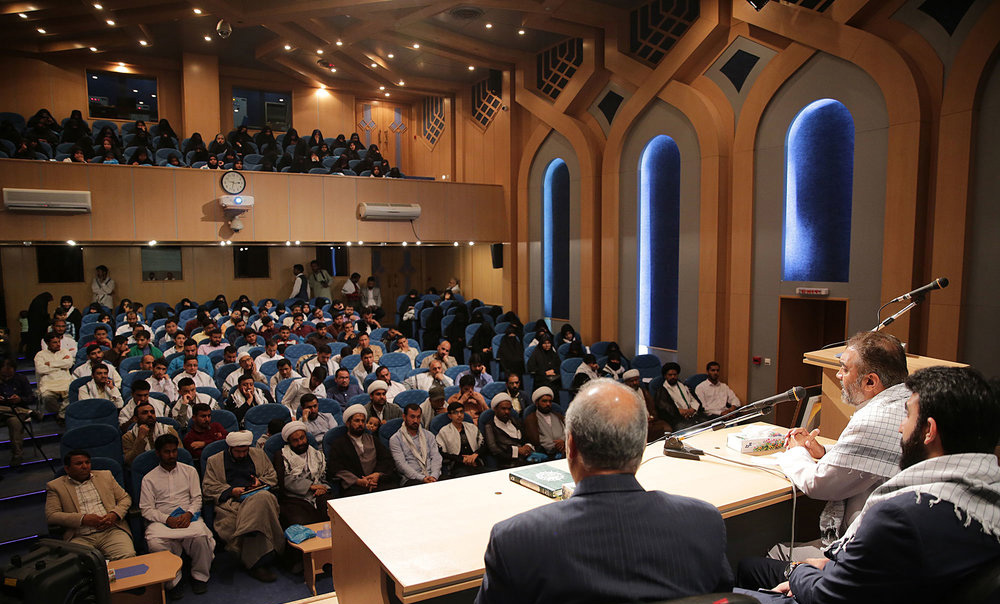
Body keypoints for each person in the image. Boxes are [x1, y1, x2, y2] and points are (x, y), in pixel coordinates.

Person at [743, 366, 1000, 604]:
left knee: (742, 579)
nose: (900, 428)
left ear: (928, 431)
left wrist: (799, 573)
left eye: (908, 415)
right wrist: (828, 566)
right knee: (752, 568)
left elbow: (827, 596)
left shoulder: (900, 514)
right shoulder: (986, 499)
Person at [476, 379, 733, 603]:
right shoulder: (704, 522)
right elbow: (721, 595)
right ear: (642, 446)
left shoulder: (515, 540)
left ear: (571, 446)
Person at [737, 331, 913, 588]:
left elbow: (818, 483)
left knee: (766, 557)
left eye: (844, 369)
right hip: (894, 546)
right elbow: (871, 460)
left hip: (866, 557)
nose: (838, 375)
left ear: (870, 381)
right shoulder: (908, 402)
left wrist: (796, 451)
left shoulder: (875, 418)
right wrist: (824, 453)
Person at [202, 431, 285, 582]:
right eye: (238, 452)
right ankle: (258, 563)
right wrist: (231, 491)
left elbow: (272, 476)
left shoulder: (259, 454)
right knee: (235, 522)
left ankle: (238, 541)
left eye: (245, 451)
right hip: (231, 503)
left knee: (263, 497)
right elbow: (208, 487)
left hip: (258, 498)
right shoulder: (214, 461)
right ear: (230, 448)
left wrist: (260, 482)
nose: (242, 455)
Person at [140, 434, 215, 598]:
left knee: (201, 538)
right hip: (162, 520)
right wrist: (167, 519)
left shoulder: (189, 471)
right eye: (167, 452)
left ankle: (200, 577)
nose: (172, 455)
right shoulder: (149, 478)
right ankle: (173, 581)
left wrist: (189, 514)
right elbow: (146, 509)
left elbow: (197, 499)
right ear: (158, 453)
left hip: (188, 518)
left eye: (174, 451)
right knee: (155, 544)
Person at [46, 449, 135, 560]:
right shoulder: (56, 486)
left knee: (127, 556)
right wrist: (83, 519)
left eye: (87, 462)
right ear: (67, 468)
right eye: (79, 463)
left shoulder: (105, 476)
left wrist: (114, 514)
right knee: (79, 565)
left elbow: (125, 498)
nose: (85, 466)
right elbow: (52, 515)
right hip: (80, 536)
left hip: (111, 531)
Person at [326, 404, 397, 496]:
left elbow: (386, 459)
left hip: (377, 482)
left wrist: (377, 474)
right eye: (357, 421)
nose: (360, 424)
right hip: (354, 486)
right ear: (348, 423)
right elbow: (336, 468)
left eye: (363, 421)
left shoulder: (373, 439)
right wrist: (357, 481)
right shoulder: (339, 444)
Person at [273, 420, 332, 527]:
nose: (300, 442)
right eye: (295, 440)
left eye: (302, 438)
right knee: (301, 522)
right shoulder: (282, 456)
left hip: (318, 494)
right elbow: (283, 479)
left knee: (332, 514)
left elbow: (324, 476)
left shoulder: (317, 454)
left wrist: (322, 488)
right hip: (294, 498)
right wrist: (310, 486)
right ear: (289, 442)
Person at [389, 403, 443, 485]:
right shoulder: (395, 439)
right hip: (412, 478)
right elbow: (401, 465)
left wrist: (434, 476)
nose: (416, 421)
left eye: (418, 417)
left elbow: (436, 457)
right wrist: (422, 478)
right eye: (412, 417)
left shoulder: (429, 435)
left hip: (433, 476)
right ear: (404, 417)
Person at [0, 359, 40, 467]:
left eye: (9, 376)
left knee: (15, 422)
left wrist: (20, 399)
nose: (6, 378)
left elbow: (31, 398)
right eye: (3, 376)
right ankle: (29, 412)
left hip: (16, 411)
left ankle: (17, 455)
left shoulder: (21, 379)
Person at [436, 401, 487, 478]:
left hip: (475, 461)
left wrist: (476, 454)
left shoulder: (472, 427)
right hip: (457, 465)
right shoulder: (444, 431)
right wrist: (461, 459)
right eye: (455, 413)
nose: (459, 415)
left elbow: (484, 444)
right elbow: (440, 452)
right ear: (450, 416)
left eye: (461, 412)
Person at [482, 393, 533, 469]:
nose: (507, 412)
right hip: (507, 464)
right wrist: (517, 451)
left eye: (509, 409)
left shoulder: (515, 421)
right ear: (495, 409)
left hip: (526, 459)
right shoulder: (490, 426)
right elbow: (494, 449)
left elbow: (526, 438)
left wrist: (528, 446)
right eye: (503, 409)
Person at [123, 400, 179, 465]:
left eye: (152, 412)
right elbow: (129, 462)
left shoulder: (169, 431)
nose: (150, 415)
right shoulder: (128, 437)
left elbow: (180, 454)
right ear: (135, 419)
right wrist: (140, 439)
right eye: (145, 413)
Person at [35, 331, 73, 421]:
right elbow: (40, 369)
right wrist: (60, 365)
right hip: (49, 383)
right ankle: (60, 414)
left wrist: (50, 364)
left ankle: (61, 415)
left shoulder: (65, 352)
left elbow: (68, 364)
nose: (58, 344)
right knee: (47, 398)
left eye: (59, 342)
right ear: (48, 343)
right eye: (55, 342)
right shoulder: (40, 355)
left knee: (73, 394)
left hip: (65, 381)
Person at [653, 362, 702, 431]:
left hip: (692, 414)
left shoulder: (683, 386)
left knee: (706, 423)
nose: (673, 377)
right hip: (676, 419)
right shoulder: (662, 391)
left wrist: (692, 409)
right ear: (665, 376)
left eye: (675, 375)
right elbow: (667, 409)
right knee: (688, 429)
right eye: (670, 375)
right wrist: (682, 412)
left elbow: (693, 400)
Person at [623, 369, 669, 441]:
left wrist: (652, 417)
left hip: (650, 421)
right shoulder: (623, 395)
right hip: (635, 425)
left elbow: (652, 409)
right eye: (632, 381)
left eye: (636, 380)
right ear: (626, 383)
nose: (635, 383)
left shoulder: (644, 392)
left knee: (667, 428)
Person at [522, 386, 565, 458]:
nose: (548, 404)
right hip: (545, 454)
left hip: (565, 449)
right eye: (544, 401)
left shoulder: (558, 416)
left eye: (550, 401)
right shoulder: (531, 419)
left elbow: (567, 431)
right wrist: (557, 446)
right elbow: (538, 440)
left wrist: (563, 442)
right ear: (537, 403)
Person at [525, 335, 561, 402]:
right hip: (541, 378)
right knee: (550, 386)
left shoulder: (553, 353)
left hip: (553, 377)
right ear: (541, 344)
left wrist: (553, 370)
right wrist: (545, 373)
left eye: (549, 343)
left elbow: (559, 365)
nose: (547, 345)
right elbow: (531, 368)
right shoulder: (536, 354)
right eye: (544, 343)